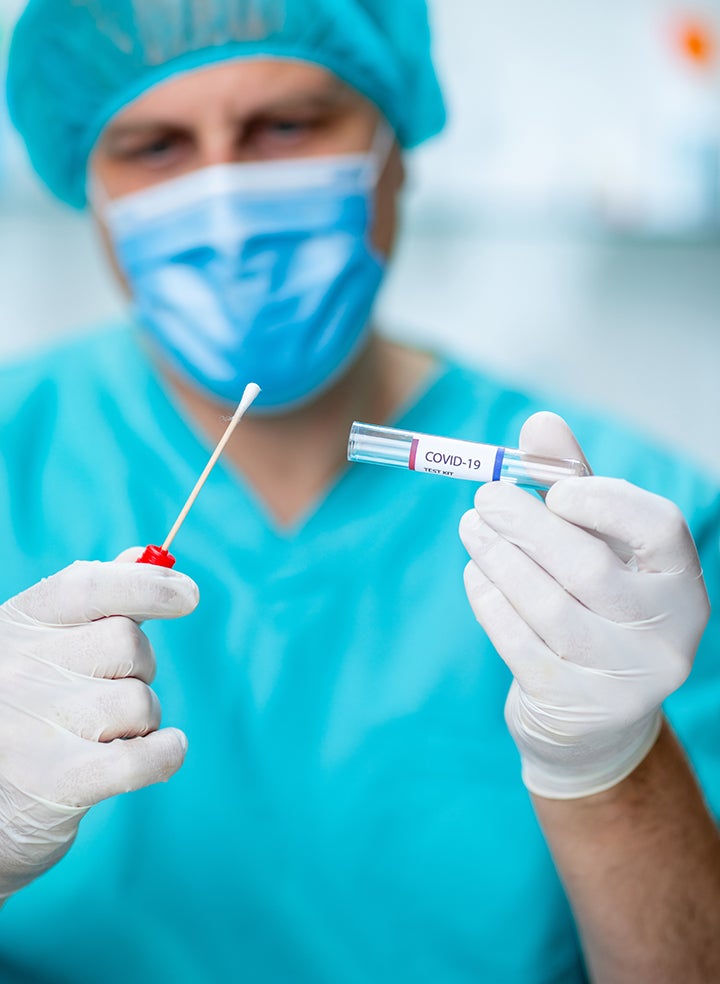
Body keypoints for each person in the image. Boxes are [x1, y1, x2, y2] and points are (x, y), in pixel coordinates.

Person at [0, 1, 718, 981]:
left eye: (284, 126)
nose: (225, 202)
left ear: (394, 149)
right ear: (88, 184)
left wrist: (609, 763)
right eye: (155, 146)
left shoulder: (632, 538)